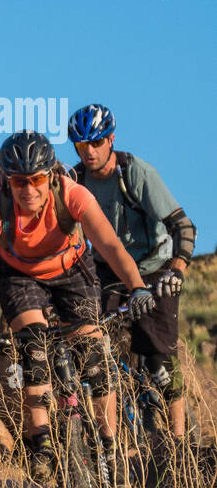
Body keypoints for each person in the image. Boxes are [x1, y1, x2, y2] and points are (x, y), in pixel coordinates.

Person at [0, 130, 157, 488]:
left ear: (51, 176)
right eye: (19, 182)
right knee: (32, 347)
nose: (28, 190)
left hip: (72, 270)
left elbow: (109, 245)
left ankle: (109, 446)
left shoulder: (72, 194)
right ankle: (43, 445)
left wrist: (137, 286)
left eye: (36, 180)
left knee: (94, 354)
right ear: (6, 181)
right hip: (19, 276)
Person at [67, 103, 197, 440]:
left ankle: (179, 445)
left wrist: (176, 272)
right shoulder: (76, 181)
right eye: (82, 146)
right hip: (108, 271)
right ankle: (111, 442)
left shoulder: (136, 174)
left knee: (159, 361)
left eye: (96, 143)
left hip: (155, 270)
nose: (89, 152)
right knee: (94, 347)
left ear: (111, 140)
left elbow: (183, 227)